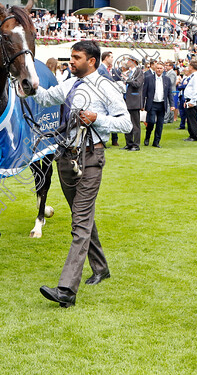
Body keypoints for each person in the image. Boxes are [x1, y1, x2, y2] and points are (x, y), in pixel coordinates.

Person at [31, 41, 132, 307]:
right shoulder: (69, 84)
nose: (71, 61)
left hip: (90, 157)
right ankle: (101, 268)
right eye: (71, 57)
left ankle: (66, 289)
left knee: (80, 222)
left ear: (92, 61)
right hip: (66, 157)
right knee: (81, 215)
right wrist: (28, 84)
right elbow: (45, 98)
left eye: (77, 58)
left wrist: (96, 117)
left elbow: (125, 122)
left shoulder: (106, 87)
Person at [141, 60, 174, 148]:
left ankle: (156, 142)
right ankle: (147, 137)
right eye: (158, 68)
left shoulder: (167, 79)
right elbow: (144, 92)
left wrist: (172, 105)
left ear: (163, 69)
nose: (159, 70)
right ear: (155, 69)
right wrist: (142, 104)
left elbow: (169, 93)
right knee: (151, 122)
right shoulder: (149, 78)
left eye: (161, 68)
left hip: (162, 104)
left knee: (160, 124)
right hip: (152, 104)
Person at [97, 51, 121, 147]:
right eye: (111, 57)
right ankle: (102, 140)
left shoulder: (108, 69)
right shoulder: (100, 69)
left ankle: (113, 140)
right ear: (106, 58)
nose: (112, 59)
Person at [121, 56, 144, 151]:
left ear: (133, 61)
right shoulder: (130, 72)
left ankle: (136, 144)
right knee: (127, 122)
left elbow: (137, 84)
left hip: (134, 100)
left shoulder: (139, 71)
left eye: (129, 60)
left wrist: (127, 79)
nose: (127, 62)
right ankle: (129, 143)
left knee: (135, 124)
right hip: (127, 100)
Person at [181, 59, 197, 141]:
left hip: (192, 100)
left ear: (191, 67)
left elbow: (196, 90)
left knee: (192, 118)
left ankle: (194, 135)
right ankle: (191, 134)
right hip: (189, 99)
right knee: (189, 118)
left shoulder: (196, 77)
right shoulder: (193, 76)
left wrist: (192, 101)